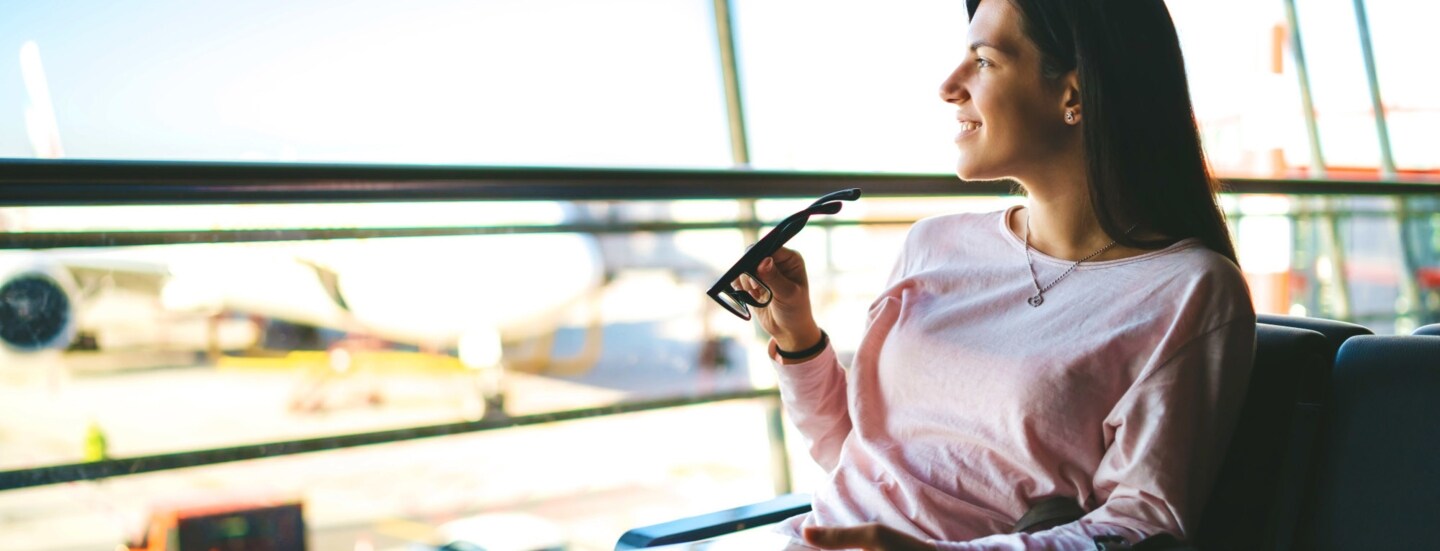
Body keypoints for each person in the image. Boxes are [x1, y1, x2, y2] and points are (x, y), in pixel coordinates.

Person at [736, 0, 1256, 549]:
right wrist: (798, 343)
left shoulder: (1189, 290)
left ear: (1072, 94)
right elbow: (856, 454)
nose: (948, 86)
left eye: (982, 61)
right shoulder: (932, 244)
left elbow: (1140, 526)